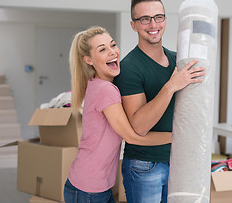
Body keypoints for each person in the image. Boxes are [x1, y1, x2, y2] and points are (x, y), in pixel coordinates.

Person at [113, 0, 205, 203]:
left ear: (165, 20)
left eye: (159, 17)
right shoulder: (129, 67)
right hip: (145, 165)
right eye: (144, 19)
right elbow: (139, 126)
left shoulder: (178, 60)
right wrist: (171, 86)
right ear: (133, 25)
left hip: (179, 159)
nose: (153, 24)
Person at [64, 26, 173, 203]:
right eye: (102, 49)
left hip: (94, 185)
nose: (112, 52)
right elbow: (133, 137)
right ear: (88, 60)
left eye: (112, 45)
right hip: (88, 189)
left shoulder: (99, 83)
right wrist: (176, 137)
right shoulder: (106, 90)